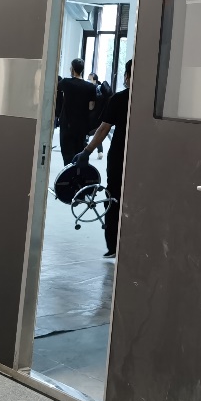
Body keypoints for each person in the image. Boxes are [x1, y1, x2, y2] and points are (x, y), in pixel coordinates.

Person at [75, 59, 132, 258]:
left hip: (119, 156)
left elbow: (104, 128)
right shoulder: (152, 101)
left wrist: (87, 151)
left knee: (114, 197)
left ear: (127, 76)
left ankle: (113, 246)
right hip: (143, 157)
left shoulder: (119, 99)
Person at [56, 58, 97, 169]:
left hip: (67, 124)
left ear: (72, 69)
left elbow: (55, 91)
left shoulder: (65, 83)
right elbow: (91, 107)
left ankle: (68, 174)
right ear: (82, 70)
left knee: (67, 154)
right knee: (79, 153)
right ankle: (78, 175)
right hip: (81, 126)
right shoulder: (90, 87)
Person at [88, 72, 108, 159]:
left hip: (94, 114)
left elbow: (91, 105)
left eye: (90, 79)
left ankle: (86, 151)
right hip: (99, 115)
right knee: (97, 132)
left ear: (95, 80)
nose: (88, 81)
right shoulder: (100, 89)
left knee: (90, 132)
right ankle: (100, 151)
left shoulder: (93, 89)